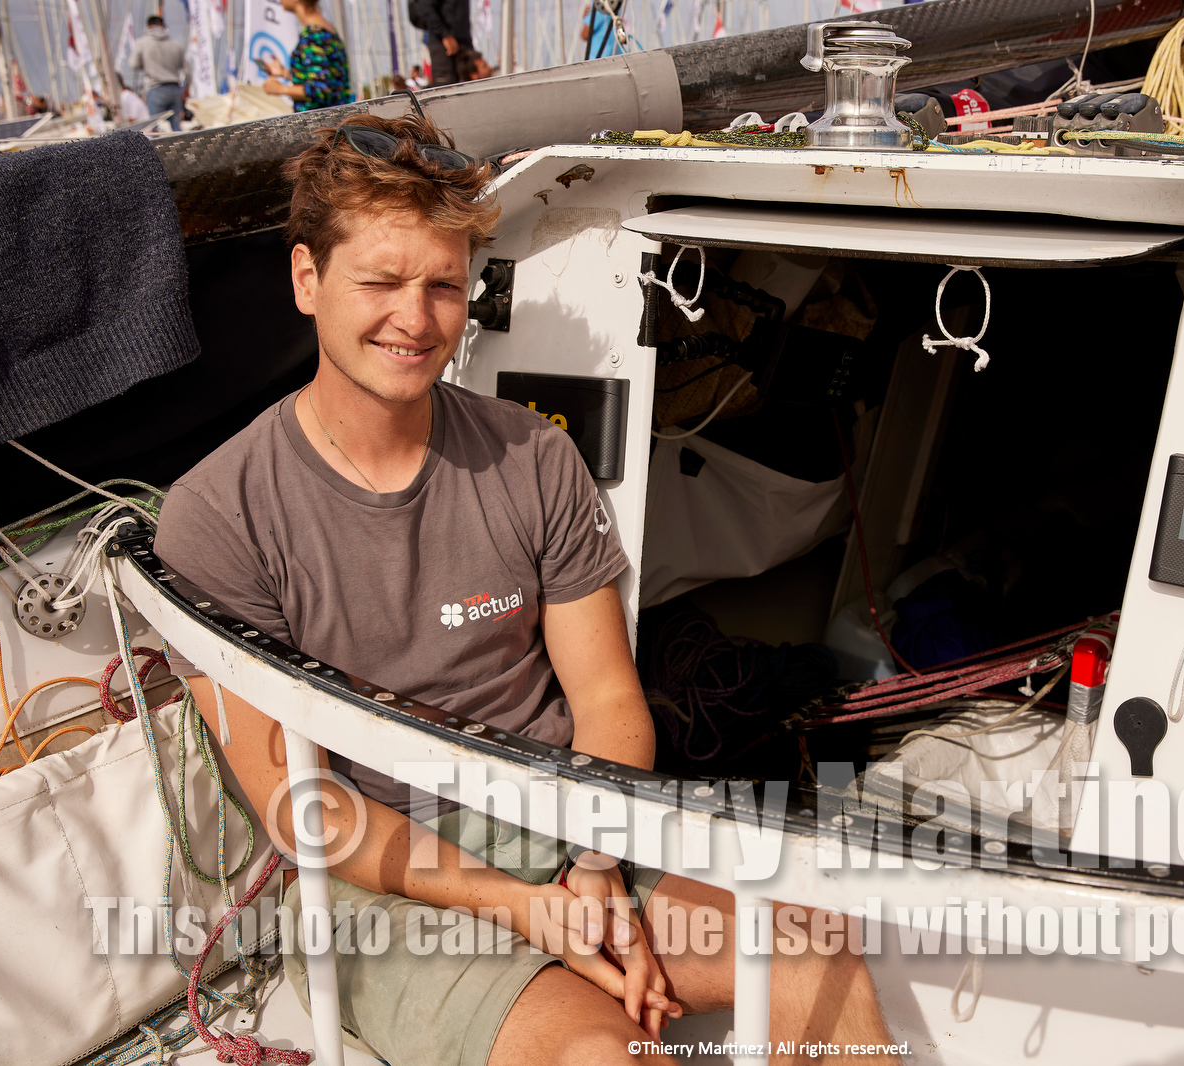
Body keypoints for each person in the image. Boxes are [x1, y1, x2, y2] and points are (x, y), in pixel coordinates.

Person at [153, 110, 897, 1066]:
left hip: (568, 820)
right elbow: (308, 814)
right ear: (307, 279)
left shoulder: (532, 455)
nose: (415, 321)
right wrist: (525, 910)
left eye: (443, 287)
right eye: (380, 282)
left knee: (814, 958)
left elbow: (607, 701)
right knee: (599, 1055)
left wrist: (590, 868)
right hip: (384, 881)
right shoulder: (218, 514)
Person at [261, 0, 350, 111]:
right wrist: (285, 73)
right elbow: (328, 79)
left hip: (320, 123)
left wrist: (280, 89)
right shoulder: (326, 29)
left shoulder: (313, 36)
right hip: (334, 118)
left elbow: (320, 90)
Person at [127, 15, 186, 131]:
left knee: (153, 127)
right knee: (176, 127)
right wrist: (186, 89)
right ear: (162, 26)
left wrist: (147, 65)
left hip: (156, 88)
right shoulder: (176, 44)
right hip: (175, 88)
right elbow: (186, 69)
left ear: (148, 26)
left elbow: (133, 64)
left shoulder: (142, 43)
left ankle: (155, 149)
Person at [409, 0, 473, 86]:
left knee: (474, 83)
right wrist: (444, 34)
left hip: (464, 41)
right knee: (446, 92)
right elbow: (425, 8)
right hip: (442, 44)